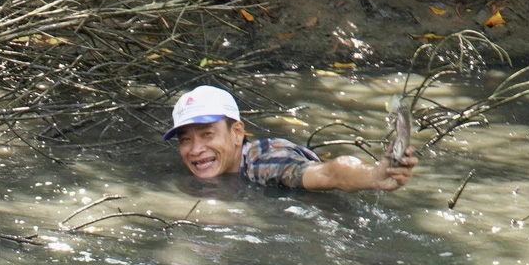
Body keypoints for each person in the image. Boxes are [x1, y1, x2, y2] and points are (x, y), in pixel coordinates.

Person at [167, 85, 417, 192]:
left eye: (207, 134)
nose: (196, 149)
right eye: (185, 140)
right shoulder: (214, 170)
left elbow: (328, 172)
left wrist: (373, 175)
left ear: (237, 133)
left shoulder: (263, 162)